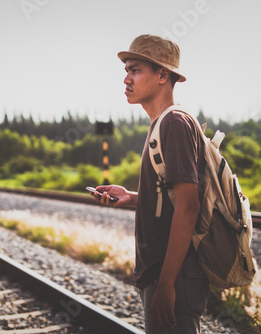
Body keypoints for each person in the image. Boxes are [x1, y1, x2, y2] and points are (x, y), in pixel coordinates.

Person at [92, 34, 209, 333]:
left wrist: (167, 285)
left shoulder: (174, 123)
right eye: (127, 71)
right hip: (163, 273)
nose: (126, 80)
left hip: (174, 275)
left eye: (136, 70)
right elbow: (169, 197)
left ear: (162, 75)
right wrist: (131, 197)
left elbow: (188, 207)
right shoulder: (160, 123)